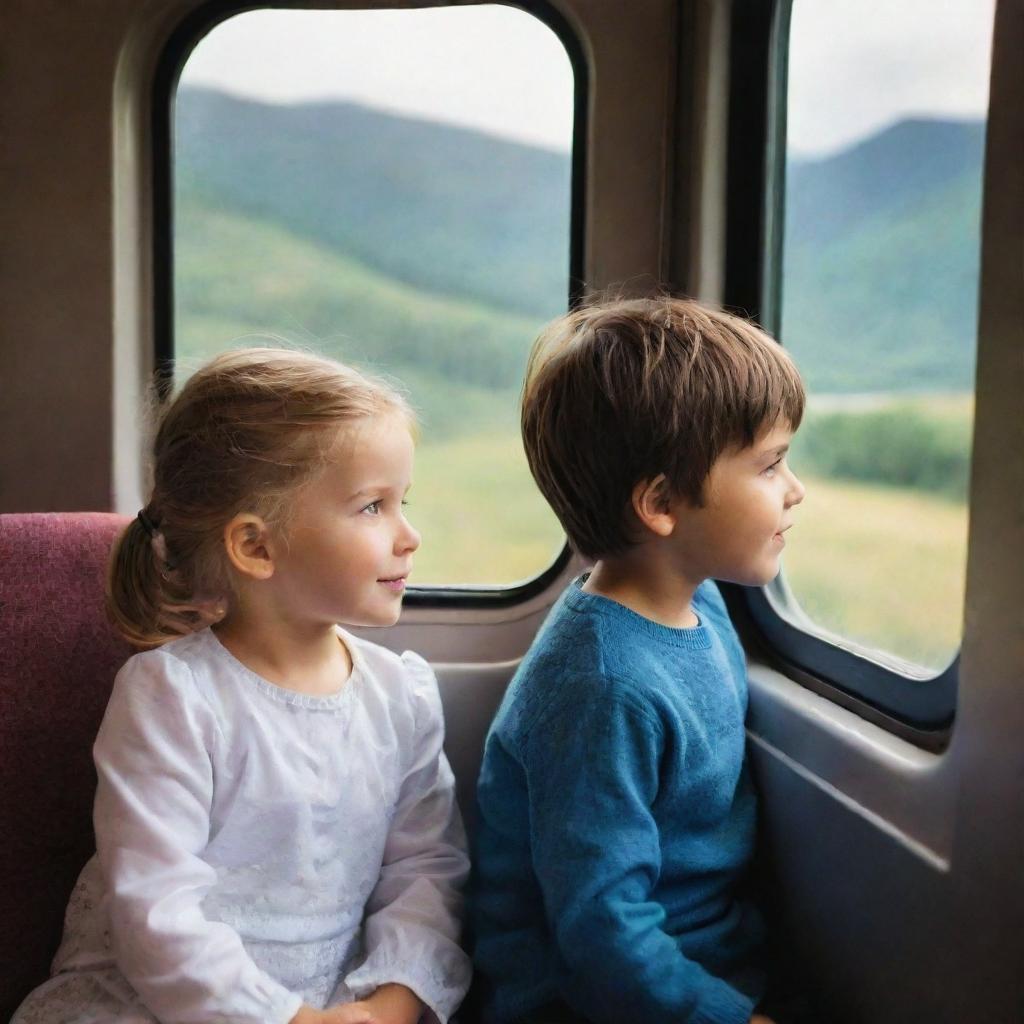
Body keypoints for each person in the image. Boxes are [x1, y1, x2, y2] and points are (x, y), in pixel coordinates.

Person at [13, 349, 471, 1024]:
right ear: (255, 546)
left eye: (404, 502)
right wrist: (287, 1019)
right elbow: (157, 911)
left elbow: (425, 871)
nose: (410, 536)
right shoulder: (172, 698)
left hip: (336, 1001)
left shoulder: (400, 696)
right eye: (373, 506)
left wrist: (394, 1002)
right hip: (160, 1002)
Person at [472, 297, 807, 1024]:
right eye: (771, 464)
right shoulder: (603, 682)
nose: (795, 489)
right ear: (660, 503)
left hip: (695, 964)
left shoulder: (703, 604)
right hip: (580, 996)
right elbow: (599, 927)